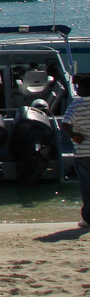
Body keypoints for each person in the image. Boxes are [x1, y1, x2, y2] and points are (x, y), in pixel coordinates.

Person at [60, 74, 90, 229]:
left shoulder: (75, 105)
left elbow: (65, 123)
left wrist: (73, 136)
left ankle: (88, 219)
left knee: (86, 186)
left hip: (83, 152)